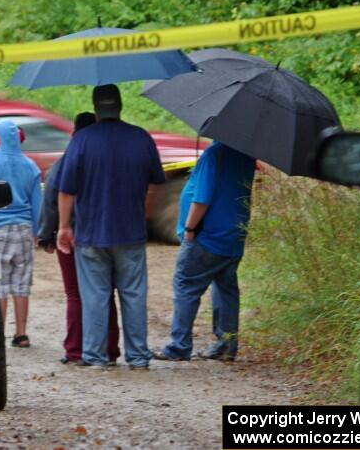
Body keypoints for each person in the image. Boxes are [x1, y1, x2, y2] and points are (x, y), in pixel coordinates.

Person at [57, 84, 165, 370]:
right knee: (133, 295)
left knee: (95, 297)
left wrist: (64, 227)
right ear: (120, 106)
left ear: (95, 108)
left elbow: (66, 190)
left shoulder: (81, 141)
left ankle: (95, 356)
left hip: (91, 234)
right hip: (130, 231)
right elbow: (156, 182)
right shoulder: (141, 138)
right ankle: (139, 357)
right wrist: (143, 211)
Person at [154, 140, 256, 362]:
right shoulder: (246, 153)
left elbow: (202, 198)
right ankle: (226, 345)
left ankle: (179, 347)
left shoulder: (214, 154)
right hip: (233, 234)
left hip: (208, 235)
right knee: (226, 289)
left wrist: (190, 228)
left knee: (185, 286)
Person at [38, 111, 121, 365]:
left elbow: (51, 200)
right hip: (102, 234)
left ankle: (75, 349)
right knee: (104, 292)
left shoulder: (63, 163)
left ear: (73, 132)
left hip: (70, 237)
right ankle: (110, 348)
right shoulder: (105, 159)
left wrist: (47, 235)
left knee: (75, 294)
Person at [0, 119, 42, 348]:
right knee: (22, 283)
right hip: (24, 229)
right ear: (19, 138)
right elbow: (37, 203)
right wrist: (36, 230)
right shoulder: (31, 166)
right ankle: (21, 334)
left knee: (1, 284)